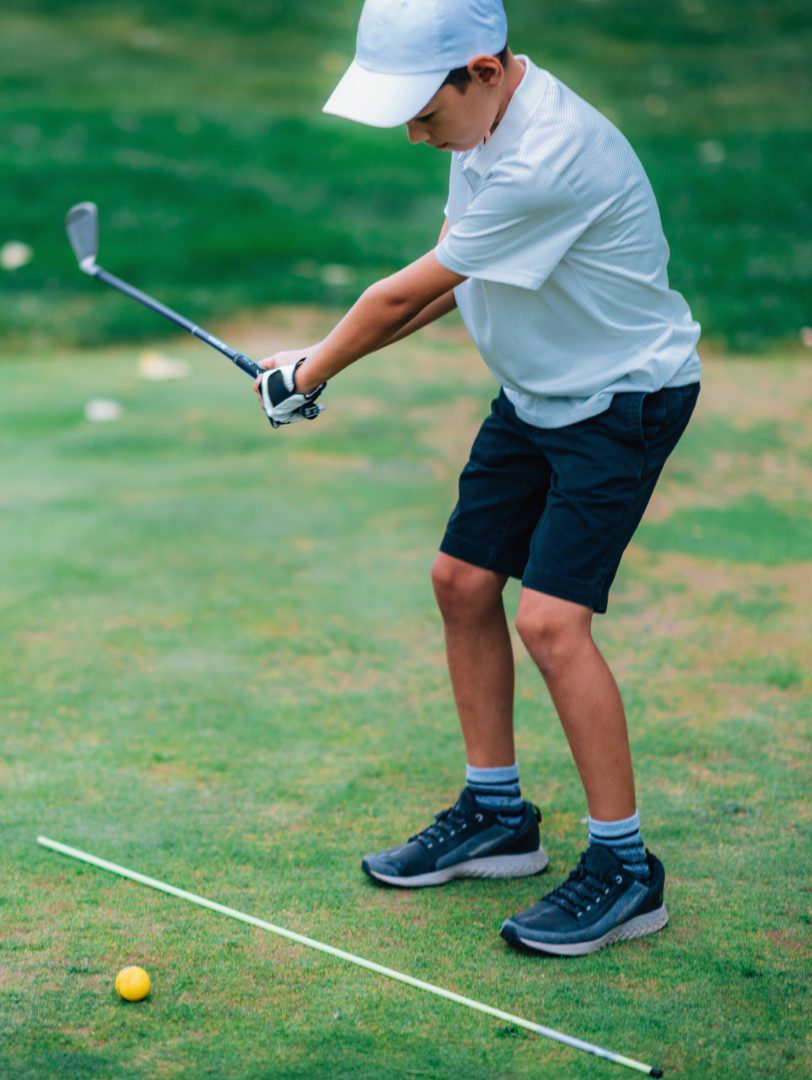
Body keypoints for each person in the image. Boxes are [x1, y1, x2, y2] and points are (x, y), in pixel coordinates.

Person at [254, 0, 700, 955]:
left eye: (423, 109)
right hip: (537, 391)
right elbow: (447, 286)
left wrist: (310, 368)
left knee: (550, 621)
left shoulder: (550, 155)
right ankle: (498, 814)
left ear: (486, 70)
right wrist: (318, 364)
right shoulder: (484, 125)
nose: (417, 134)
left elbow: (402, 292)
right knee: (460, 583)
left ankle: (626, 867)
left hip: (618, 402)